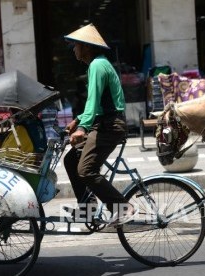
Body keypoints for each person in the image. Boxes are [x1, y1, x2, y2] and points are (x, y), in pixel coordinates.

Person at [63, 24, 136, 225]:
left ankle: (123, 207)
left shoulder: (97, 65)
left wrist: (82, 128)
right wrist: (79, 120)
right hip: (105, 123)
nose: (74, 49)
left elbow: (93, 101)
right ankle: (88, 210)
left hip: (109, 126)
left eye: (76, 45)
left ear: (86, 47)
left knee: (86, 170)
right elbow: (93, 104)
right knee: (71, 160)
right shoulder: (97, 64)